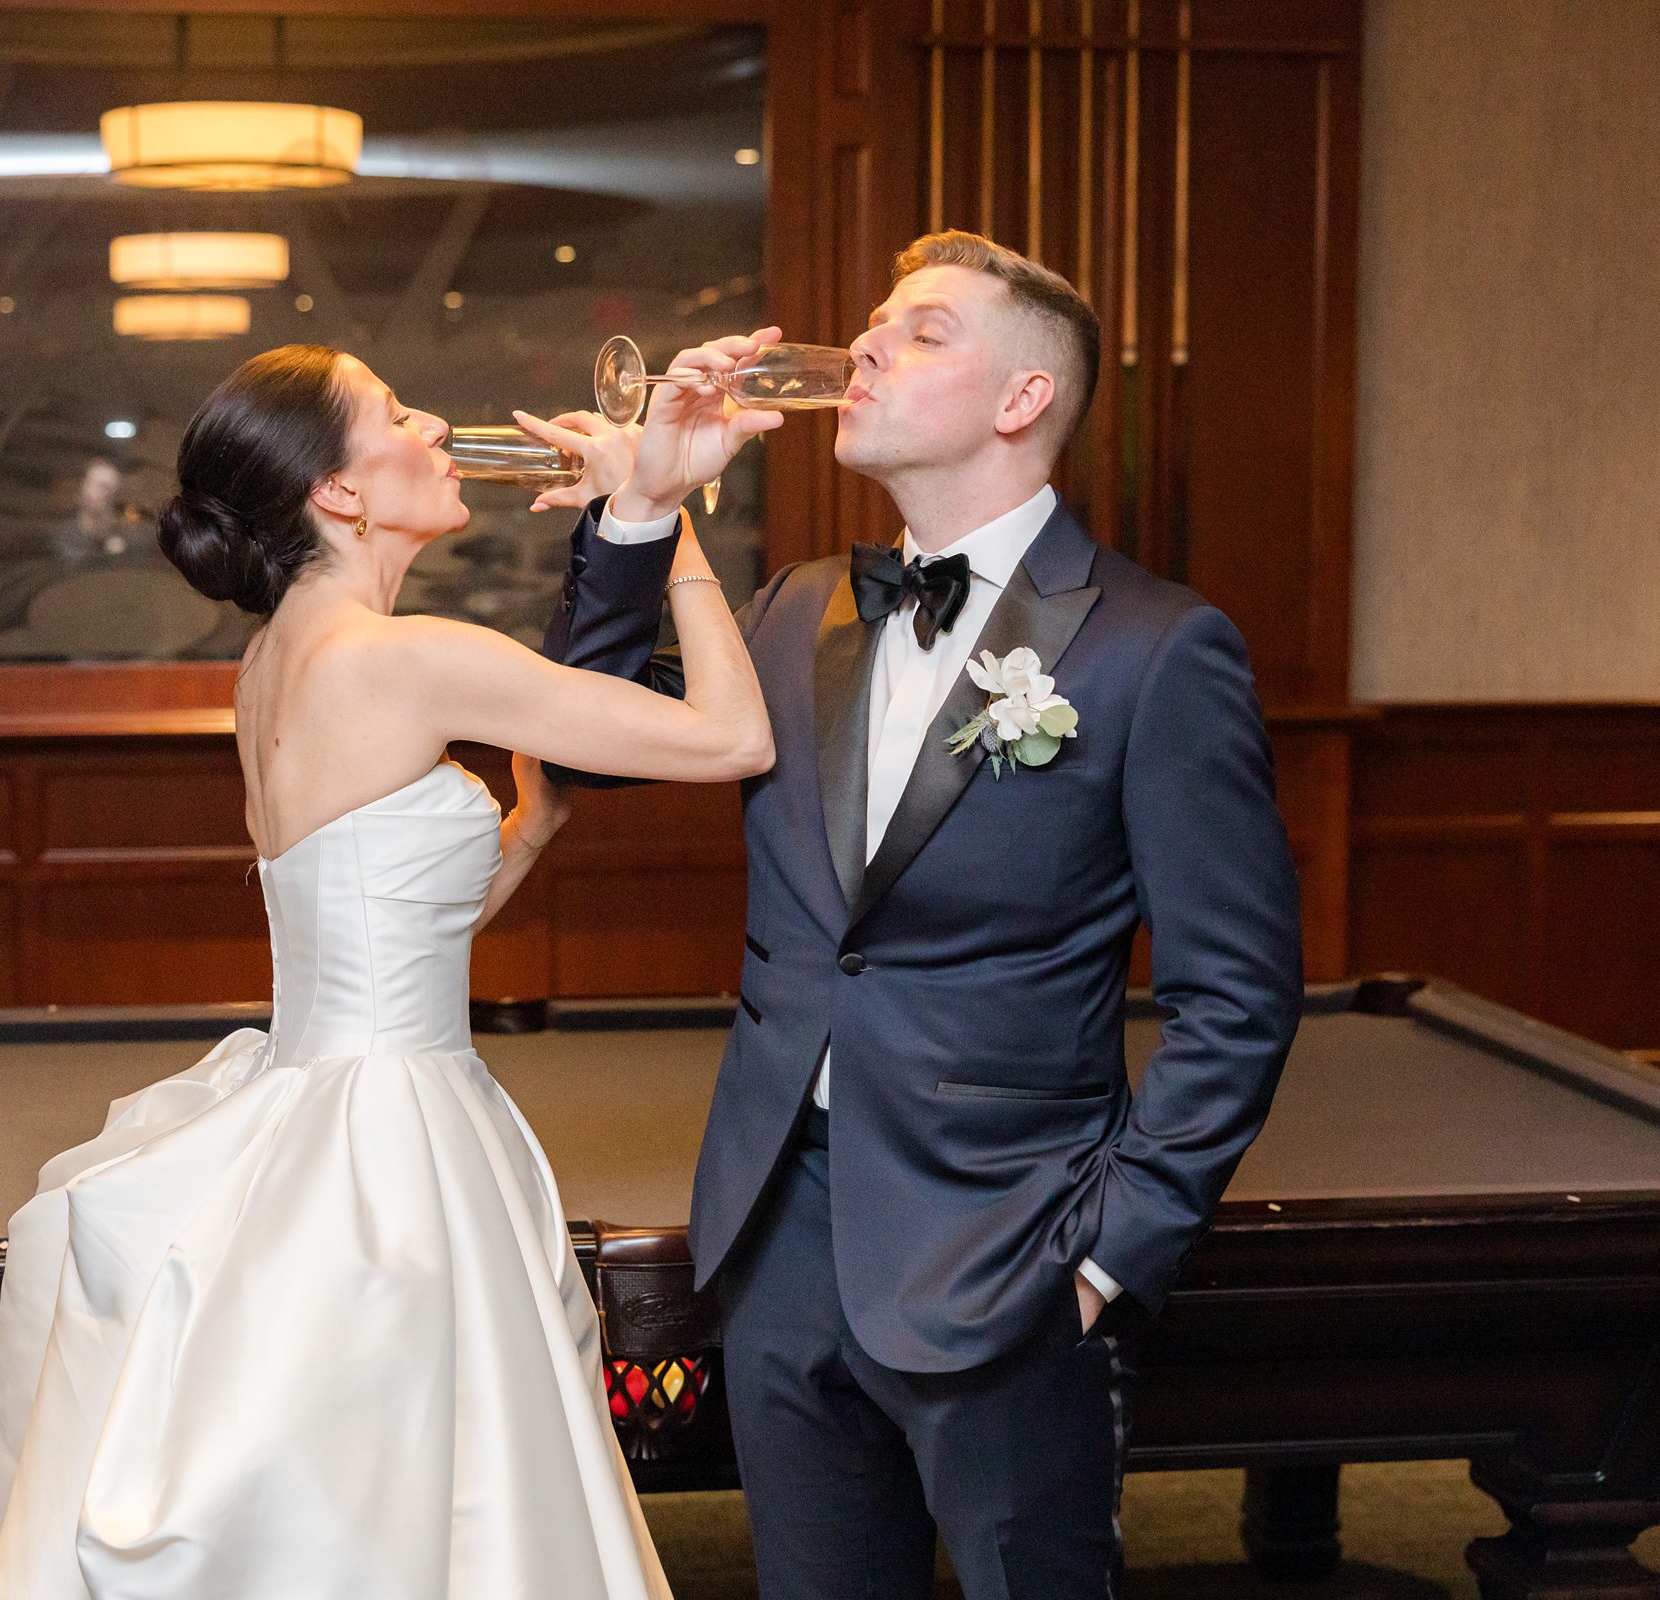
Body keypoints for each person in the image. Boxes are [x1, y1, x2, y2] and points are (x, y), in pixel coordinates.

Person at [533, 232, 1305, 1599]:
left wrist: (1106, 1261)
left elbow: (1235, 995)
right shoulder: (789, 611)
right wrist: (647, 509)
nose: (869, 345)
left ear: (1022, 402)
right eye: (876, 321)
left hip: (1010, 1242)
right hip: (777, 1229)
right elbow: (581, 743)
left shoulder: (1154, 648)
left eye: (926, 330)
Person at [0, 343, 775, 1600]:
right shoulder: (408, 658)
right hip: (393, 1146)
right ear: (338, 492)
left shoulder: (270, 660)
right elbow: (733, 735)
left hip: (315, 1094)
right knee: (429, 1499)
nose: (433, 420)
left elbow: (392, 927)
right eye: (396, 413)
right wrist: (677, 521)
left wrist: (532, 824)